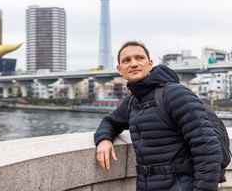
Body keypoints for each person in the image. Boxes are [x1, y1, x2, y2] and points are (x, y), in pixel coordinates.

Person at [94, 41, 222, 191]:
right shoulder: (132, 101)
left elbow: (208, 150)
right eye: (126, 60)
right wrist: (104, 139)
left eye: (139, 58)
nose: (133, 63)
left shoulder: (175, 94)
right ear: (120, 70)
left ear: (150, 64)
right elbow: (110, 122)